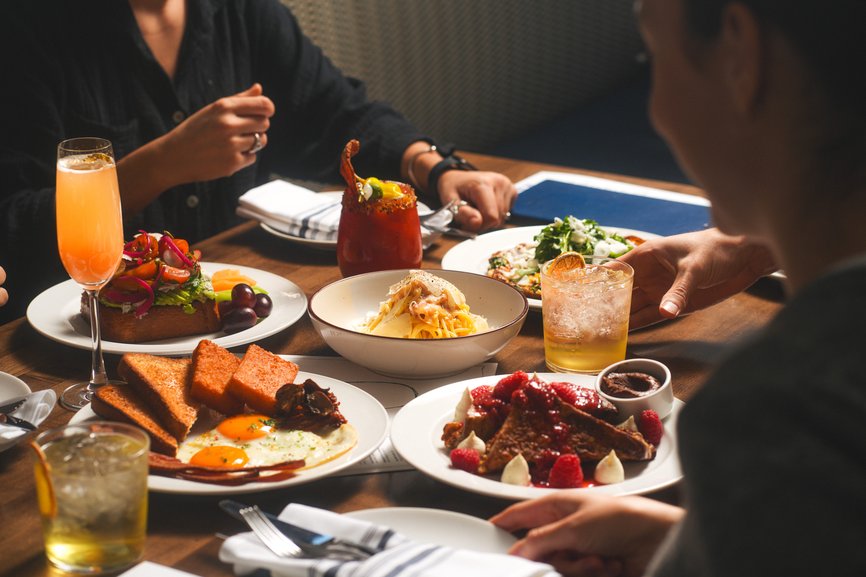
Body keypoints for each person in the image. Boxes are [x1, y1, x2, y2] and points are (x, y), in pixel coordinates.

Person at [492, 0, 866, 576]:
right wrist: (699, 544)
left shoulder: (785, 413)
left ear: (741, 54)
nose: (656, 110)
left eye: (654, 56)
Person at [0, 0, 515, 324]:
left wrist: (434, 167)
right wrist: (161, 165)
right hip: (81, 337)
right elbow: (14, 226)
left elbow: (335, 112)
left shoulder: (243, 11)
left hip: (252, 316)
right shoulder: (27, 29)